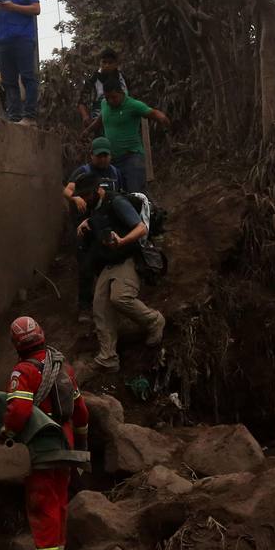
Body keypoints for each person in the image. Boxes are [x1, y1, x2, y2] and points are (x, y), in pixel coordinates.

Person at [0, 316, 90, 550]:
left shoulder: (24, 372)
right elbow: (81, 412)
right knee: (59, 500)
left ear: (16, 344)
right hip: (65, 444)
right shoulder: (63, 368)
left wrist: (7, 432)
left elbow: (19, 412)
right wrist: (80, 443)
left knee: (42, 504)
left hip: (44, 445)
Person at [74, 175, 165, 372]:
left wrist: (122, 241)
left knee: (120, 297)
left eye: (86, 194)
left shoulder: (117, 202)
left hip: (128, 258)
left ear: (98, 189)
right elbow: (101, 217)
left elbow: (141, 229)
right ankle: (108, 357)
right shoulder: (95, 207)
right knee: (99, 307)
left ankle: (154, 321)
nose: (84, 198)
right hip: (108, 263)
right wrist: (87, 223)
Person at [63, 140, 124, 316]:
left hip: (106, 224)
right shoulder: (83, 172)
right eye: (99, 156)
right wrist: (75, 198)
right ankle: (84, 306)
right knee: (85, 265)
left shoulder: (115, 173)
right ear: (92, 155)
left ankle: (111, 301)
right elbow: (67, 190)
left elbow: (120, 194)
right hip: (85, 225)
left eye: (106, 155)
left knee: (110, 261)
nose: (103, 159)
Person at [98, 82, 170, 194]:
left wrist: (164, 121)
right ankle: (155, 210)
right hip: (113, 160)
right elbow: (101, 117)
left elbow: (154, 113)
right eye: (107, 98)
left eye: (113, 97)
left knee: (135, 193)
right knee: (119, 194)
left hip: (132, 157)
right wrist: (87, 131)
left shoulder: (133, 105)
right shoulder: (104, 104)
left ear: (121, 93)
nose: (110, 101)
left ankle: (151, 210)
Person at [79, 49, 131, 128]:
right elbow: (82, 102)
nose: (107, 65)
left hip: (123, 121)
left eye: (110, 63)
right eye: (104, 62)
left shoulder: (123, 79)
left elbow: (132, 98)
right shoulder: (93, 80)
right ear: (100, 63)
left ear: (116, 64)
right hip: (99, 124)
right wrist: (85, 116)